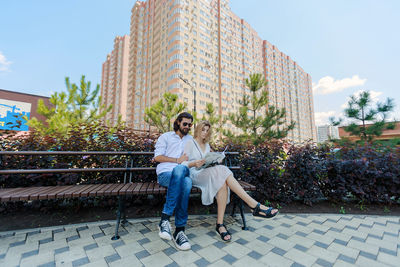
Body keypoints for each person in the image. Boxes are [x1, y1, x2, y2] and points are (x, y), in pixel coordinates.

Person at [182, 121, 278, 242]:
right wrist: (194, 163)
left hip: (207, 173)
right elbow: (182, 163)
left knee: (222, 184)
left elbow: (208, 160)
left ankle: (220, 225)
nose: (205, 133)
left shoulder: (206, 145)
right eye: (203, 129)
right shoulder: (190, 143)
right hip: (195, 174)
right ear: (197, 130)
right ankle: (254, 206)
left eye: (207, 130)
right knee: (223, 170)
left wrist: (216, 159)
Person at [154, 112, 194, 250]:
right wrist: (176, 160)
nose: (187, 127)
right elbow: (158, 157)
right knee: (187, 183)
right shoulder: (165, 137)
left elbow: (196, 155)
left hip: (183, 171)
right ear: (177, 122)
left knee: (180, 170)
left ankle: (165, 219)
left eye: (190, 125)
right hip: (166, 174)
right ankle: (180, 230)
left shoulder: (191, 140)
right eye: (185, 124)